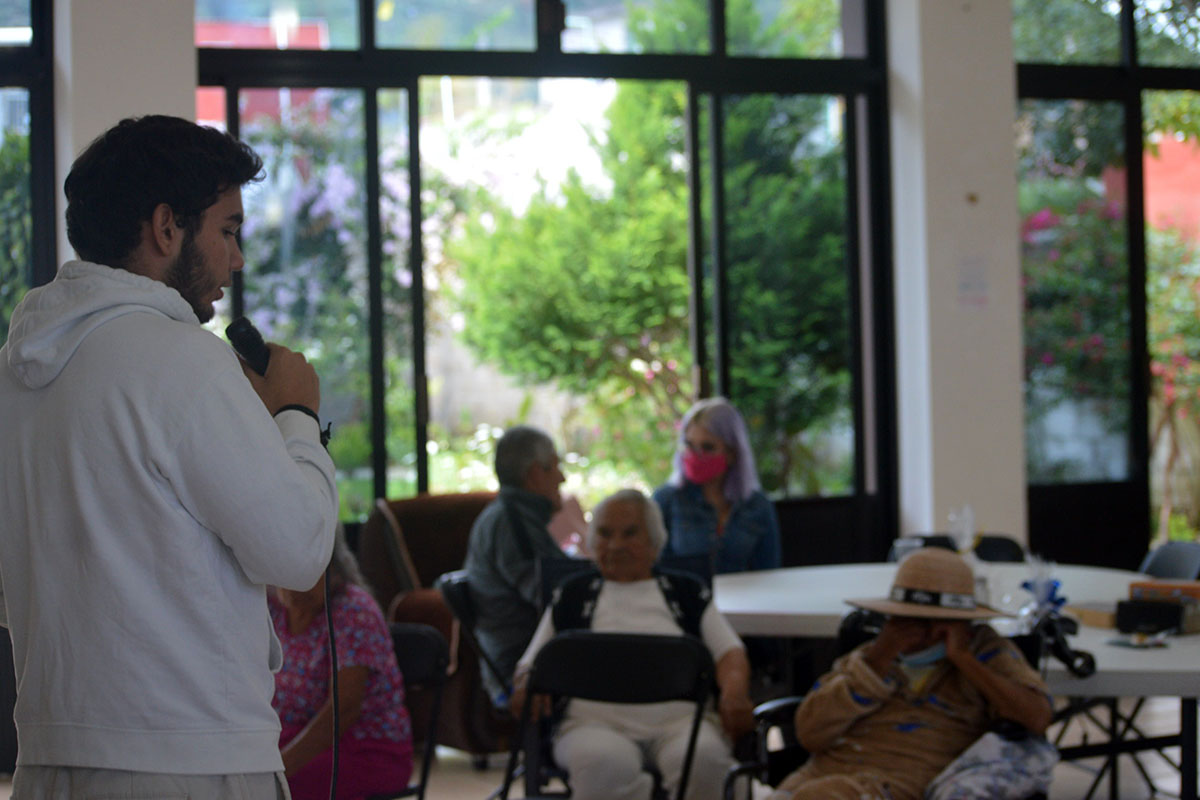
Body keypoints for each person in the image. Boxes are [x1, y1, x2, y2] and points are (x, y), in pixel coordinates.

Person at [0, 115, 338, 799]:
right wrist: (296, 415)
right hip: (189, 761)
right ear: (166, 228)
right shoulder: (183, 359)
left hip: (49, 759)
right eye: (228, 231)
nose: (236, 260)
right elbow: (298, 552)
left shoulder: (15, 373)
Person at [511, 488, 754, 800]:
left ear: (654, 542)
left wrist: (734, 694)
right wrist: (527, 683)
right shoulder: (571, 595)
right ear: (591, 541)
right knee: (603, 766)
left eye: (630, 534)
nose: (616, 545)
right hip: (592, 725)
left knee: (705, 763)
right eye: (605, 534)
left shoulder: (686, 592)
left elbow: (729, 652)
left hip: (681, 724)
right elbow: (532, 662)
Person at [768, 547, 1054, 800]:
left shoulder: (985, 651)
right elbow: (808, 734)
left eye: (935, 623)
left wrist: (964, 659)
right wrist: (879, 659)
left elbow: (1037, 716)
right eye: (908, 619)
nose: (922, 633)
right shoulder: (871, 655)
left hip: (900, 780)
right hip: (825, 772)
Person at [270, 528, 413, 800]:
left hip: (364, 748)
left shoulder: (352, 611)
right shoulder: (274, 611)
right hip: (293, 737)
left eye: (307, 574)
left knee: (265, 787)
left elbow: (343, 711)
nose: (295, 586)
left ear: (331, 569)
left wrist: (281, 766)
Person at [462, 424, 571, 705]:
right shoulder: (512, 524)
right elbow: (553, 598)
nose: (563, 477)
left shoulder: (511, 516)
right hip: (521, 671)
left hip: (527, 659)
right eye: (555, 467)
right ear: (535, 475)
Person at [653, 397, 781, 575]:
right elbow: (655, 570)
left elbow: (769, 574)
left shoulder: (758, 506)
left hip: (743, 601)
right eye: (689, 445)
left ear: (732, 453)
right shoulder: (666, 500)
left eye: (708, 447)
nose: (695, 455)